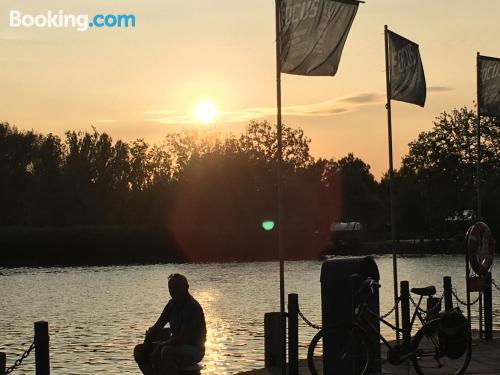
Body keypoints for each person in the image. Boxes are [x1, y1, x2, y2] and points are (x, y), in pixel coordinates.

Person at [134, 274, 207, 375]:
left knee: (166, 351)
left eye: (177, 287)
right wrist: (146, 346)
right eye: (171, 288)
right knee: (138, 350)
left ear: (186, 287)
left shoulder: (192, 307)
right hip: (175, 345)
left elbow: (183, 338)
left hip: (195, 349)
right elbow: (157, 327)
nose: (173, 291)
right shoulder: (171, 305)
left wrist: (161, 345)